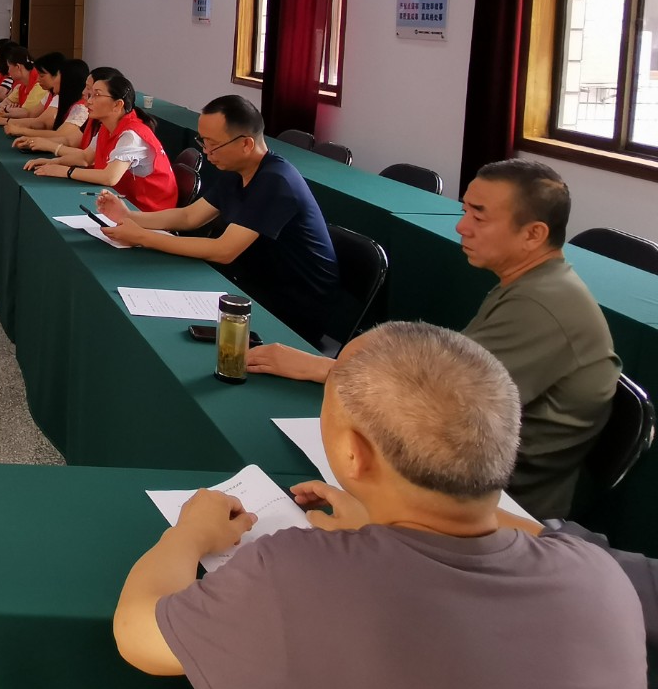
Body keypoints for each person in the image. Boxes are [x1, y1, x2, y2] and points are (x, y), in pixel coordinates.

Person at [113, 322, 645, 689]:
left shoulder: (293, 575)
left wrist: (188, 534)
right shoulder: (600, 576)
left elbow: (139, 637)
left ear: (352, 455)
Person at [247, 159, 619, 519]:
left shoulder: (542, 307)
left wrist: (320, 368)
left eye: (479, 217)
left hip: (496, 503)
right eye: (465, 211)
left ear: (533, 234)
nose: (461, 227)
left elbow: (447, 401)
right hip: (461, 471)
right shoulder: (534, 285)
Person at [94, 94, 337, 345]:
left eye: (213, 144)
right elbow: (189, 216)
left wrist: (143, 237)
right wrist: (130, 216)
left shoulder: (276, 181)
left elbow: (224, 251)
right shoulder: (238, 170)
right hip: (252, 283)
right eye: (203, 141)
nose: (206, 151)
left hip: (292, 307)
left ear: (246, 144)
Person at [21, 69, 177, 212]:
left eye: (96, 95)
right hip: (124, 204)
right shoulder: (107, 126)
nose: (88, 101)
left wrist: (66, 171)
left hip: (148, 211)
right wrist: (53, 162)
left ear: (117, 105)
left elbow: (109, 177)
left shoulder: (131, 135)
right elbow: (85, 157)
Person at [10, 59, 95, 147]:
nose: (53, 80)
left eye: (55, 76)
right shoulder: (64, 100)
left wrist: (22, 131)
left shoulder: (81, 108)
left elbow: (61, 135)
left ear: (67, 80)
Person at [1, 54, 83, 138]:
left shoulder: (81, 107)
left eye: (42, 75)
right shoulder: (52, 94)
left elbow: (45, 125)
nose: (37, 79)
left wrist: (16, 127)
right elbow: (32, 114)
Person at [0, 51, 53, 125]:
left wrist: (5, 116)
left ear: (18, 66)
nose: (8, 71)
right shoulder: (21, 86)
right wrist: (7, 110)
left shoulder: (40, 87)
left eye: (9, 66)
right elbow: (3, 103)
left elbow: (29, 115)